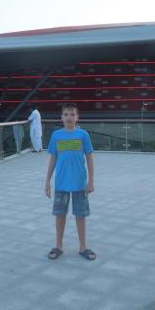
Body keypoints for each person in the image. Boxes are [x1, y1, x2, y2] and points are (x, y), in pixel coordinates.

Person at [45, 103, 96, 261]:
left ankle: (83, 247)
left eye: (72, 114)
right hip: (61, 183)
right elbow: (53, 159)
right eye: (66, 114)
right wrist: (47, 181)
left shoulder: (83, 135)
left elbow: (89, 159)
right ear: (61, 117)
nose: (69, 117)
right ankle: (59, 245)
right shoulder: (56, 136)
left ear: (77, 117)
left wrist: (91, 181)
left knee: (81, 215)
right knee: (60, 215)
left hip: (80, 183)